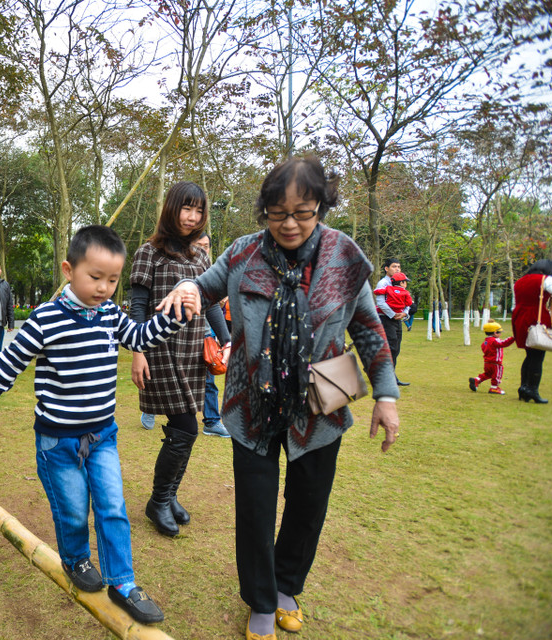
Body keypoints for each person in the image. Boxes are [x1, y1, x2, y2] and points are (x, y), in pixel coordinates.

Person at [159, 155, 400, 640]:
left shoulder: (344, 256)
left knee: (309, 501)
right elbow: (202, 288)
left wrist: (386, 394)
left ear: (321, 207)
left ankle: (288, 586)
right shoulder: (244, 253)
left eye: (303, 212)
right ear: (264, 209)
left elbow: (369, 328)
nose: (289, 224)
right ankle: (262, 601)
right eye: (277, 212)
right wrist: (186, 284)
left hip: (324, 394)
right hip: (252, 398)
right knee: (255, 504)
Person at [0, 225, 195, 625]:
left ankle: (123, 583)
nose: (104, 288)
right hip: (57, 442)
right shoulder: (45, 319)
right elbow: (7, 366)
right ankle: (76, 559)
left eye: (113, 280)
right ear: (69, 269)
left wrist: (172, 315)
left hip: (103, 436)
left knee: (113, 507)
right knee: (72, 511)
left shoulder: (110, 315)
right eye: (95, 277)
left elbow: (140, 336)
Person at [129, 181, 230, 538]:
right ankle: (158, 500)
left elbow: (213, 303)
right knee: (187, 426)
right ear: (172, 208)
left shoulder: (200, 256)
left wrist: (227, 340)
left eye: (199, 210)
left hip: (192, 352)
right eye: (186, 208)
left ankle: (168, 496)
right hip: (160, 351)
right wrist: (137, 352)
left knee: (186, 429)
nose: (193, 217)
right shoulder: (149, 253)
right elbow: (137, 307)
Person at [511, 259, 552, 404]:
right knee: (538, 355)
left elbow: (515, 303)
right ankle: (532, 390)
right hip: (536, 318)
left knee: (529, 354)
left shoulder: (519, 281)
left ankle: (524, 388)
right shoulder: (546, 279)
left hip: (520, 317)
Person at [193, 232, 230, 438]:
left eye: (206, 246)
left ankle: (212, 421)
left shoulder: (211, 271)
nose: (202, 250)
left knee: (209, 379)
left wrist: (226, 339)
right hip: (177, 336)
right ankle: (151, 408)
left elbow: (213, 304)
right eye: (198, 245)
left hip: (205, 333)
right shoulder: (180, 266)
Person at [375, 258, 410, 386]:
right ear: (386, 268)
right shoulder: (383, 284)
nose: (397, 269)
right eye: (394, 266)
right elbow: (380, 303)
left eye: (399, 267)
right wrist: (393, 314)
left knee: (396, 349)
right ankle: (388, 377)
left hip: (397, 319)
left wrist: (405, 313)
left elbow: (407, 299)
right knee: (391, 348)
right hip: (385, 319)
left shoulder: (400, 282)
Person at [468, 321, 515, 395]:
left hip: (487, 362)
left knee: (488, 374)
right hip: (495, 363)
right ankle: (494, 388)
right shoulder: (495, 340)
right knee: (497, 376)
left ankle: (477, 380)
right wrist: (512, 338)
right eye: (500, 332)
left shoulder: (485, 342)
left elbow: (483, 348)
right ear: (495, 332)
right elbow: (503, 343)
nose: (501, 333)